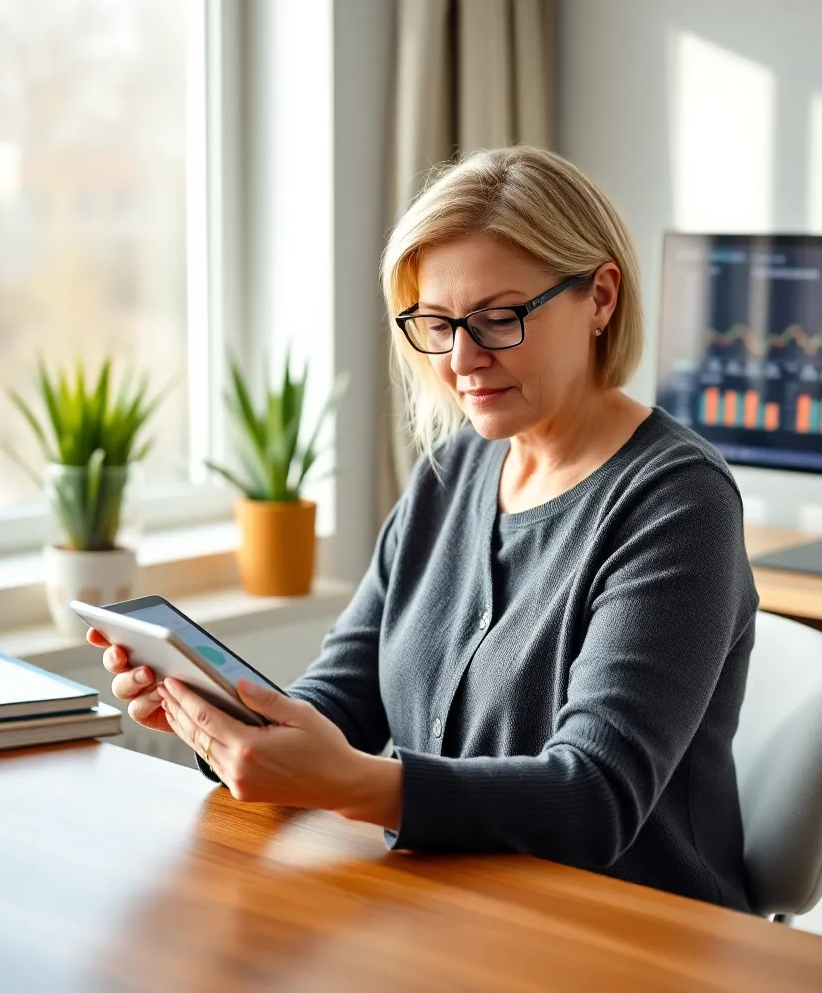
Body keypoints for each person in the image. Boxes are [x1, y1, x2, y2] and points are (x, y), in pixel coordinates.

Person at [93, 146, 759, 912]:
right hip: (462, 907)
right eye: (436, 324)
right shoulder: (453, 472)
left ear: (601, 296)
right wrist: (225, 721)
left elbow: (594, 798)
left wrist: (346, 780)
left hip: (631, 932)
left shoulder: (678, 502)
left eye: (499, 319)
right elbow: (344, 696)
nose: (461, 359)